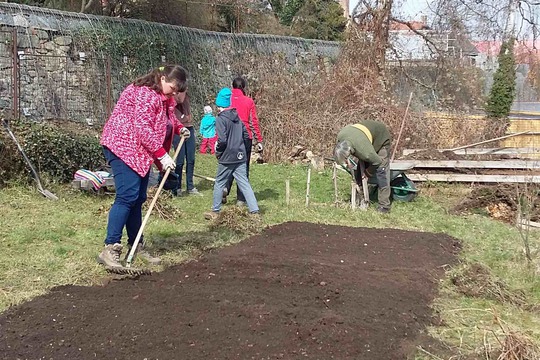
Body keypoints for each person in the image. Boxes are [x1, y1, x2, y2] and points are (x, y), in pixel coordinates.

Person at [98, 64, 190, 268]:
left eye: (177, 90)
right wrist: (163, 156)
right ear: (163, 78)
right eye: (173, 88)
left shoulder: (163, 97)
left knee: (138, 198)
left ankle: (136, 245)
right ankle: (110, 247)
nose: (174, 93)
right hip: (122, 146)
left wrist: (179, 128)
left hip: (139, 150)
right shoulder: (146, 94)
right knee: (127, 196)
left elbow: (166, 120)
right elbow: (143, 128)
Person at [205, 88, 260, 220]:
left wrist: (218, 152)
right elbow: (246, 135)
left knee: (219, 182)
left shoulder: (220, 120)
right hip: (240, 155)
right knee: (244, 183)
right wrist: (241, 148)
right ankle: (255, 212)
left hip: (227, 157)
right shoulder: (238, 117)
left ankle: (215, 210)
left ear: (219, 106)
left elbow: (222, 140)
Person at [334, 120, 392, 213]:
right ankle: (359, 199)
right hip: (363, 137)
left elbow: (377, 161)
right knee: (359, 172)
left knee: (382, 173)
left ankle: (384, 206)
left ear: (350, 151)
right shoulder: (340, 138)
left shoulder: (366, 152)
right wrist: (348, 163)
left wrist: (369, 172)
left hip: (381, 137)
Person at [223, 76, 263, 206]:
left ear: (232, 86)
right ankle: (241, 198)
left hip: (229, 135)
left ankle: (225, 188)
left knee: (229, 163)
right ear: (243, 87)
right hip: (245, 135)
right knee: (243, 166)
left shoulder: (227, 100)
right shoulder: (248, 101)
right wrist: (259, 139)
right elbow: (254, 121)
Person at [171, 91, 201, 196]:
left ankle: (190, 186)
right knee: (179, 160)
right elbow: (179, 100)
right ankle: (177, 187)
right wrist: (182, 89)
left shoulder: (186, 94)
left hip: (189, 127)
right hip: (178, 129)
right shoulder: (175, 94)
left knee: (191, 158)